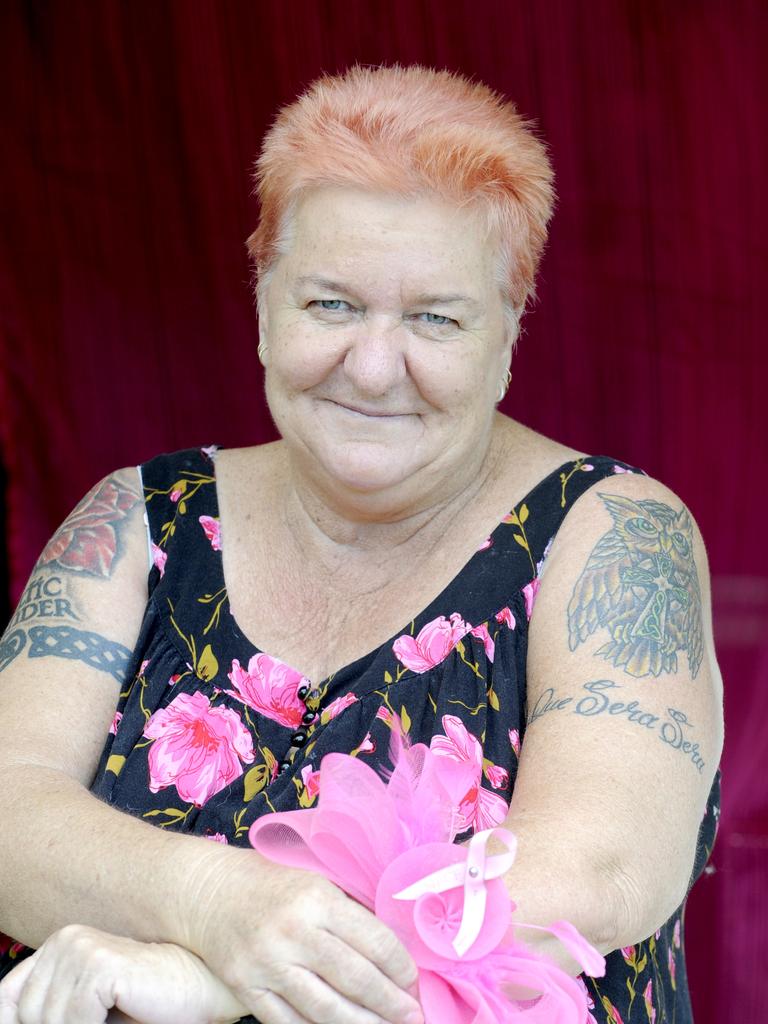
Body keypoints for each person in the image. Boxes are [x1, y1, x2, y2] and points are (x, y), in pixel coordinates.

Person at [0, 64, 722, 1024]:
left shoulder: (620, 533)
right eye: (330, 304)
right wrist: (215, 906)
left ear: (509, 335)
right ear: (263, 309)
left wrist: (220, 983)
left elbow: (599, 873)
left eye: (435, 318)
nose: (375, 368)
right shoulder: (139, 518)